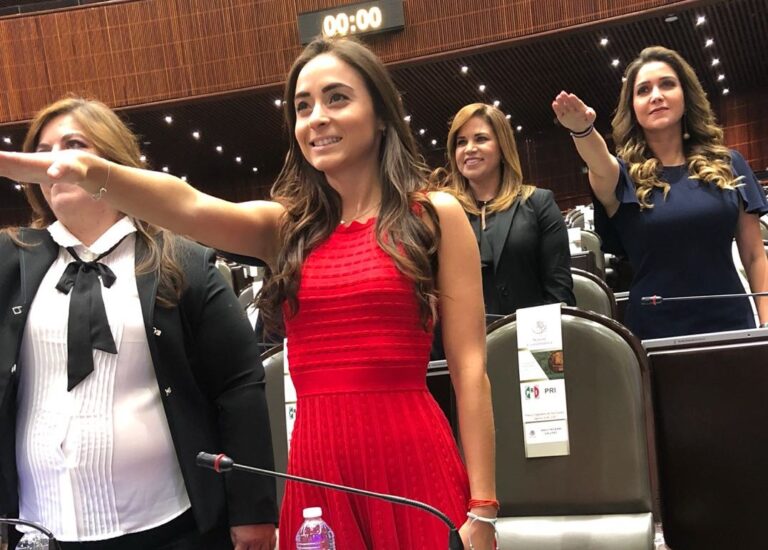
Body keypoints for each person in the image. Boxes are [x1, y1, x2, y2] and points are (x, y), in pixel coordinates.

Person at [0, 38, 498, 549]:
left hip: (412, 456)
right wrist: (89, 172)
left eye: (337, 98)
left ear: (382, 116)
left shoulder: (435, 215)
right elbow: (187, 206)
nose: (317, 118)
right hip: (319, 466)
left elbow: (469, 369)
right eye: (303, 106)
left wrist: (483, 508)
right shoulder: (286, 228)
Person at [0, 97, 277, 549]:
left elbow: (238, 385)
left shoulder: (182, 262)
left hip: (166, 525)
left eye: (74, 146)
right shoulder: (10, 261)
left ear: (113, 162)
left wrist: (253, 509)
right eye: (43, 152)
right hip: (40, 528)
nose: (55, 163)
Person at [552, 46, 768, 339]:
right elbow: (598, 161)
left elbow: (754, 255)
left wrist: (766, 325)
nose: (656, 95)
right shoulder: (621, 176)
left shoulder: (728, 164)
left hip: (732, 324)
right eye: (643, 90)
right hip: (656, 334)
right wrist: (583, 131)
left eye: (667, 84)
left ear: (685, 96)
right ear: (633, 107)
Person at [440, 103, 575, 316]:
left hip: (532, 333)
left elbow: (559, 292)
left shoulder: (539, 203)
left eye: (480, 139)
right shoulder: (442, 212)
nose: (469, 148)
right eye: (461, 142)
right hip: (464, 335)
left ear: (503, 147)